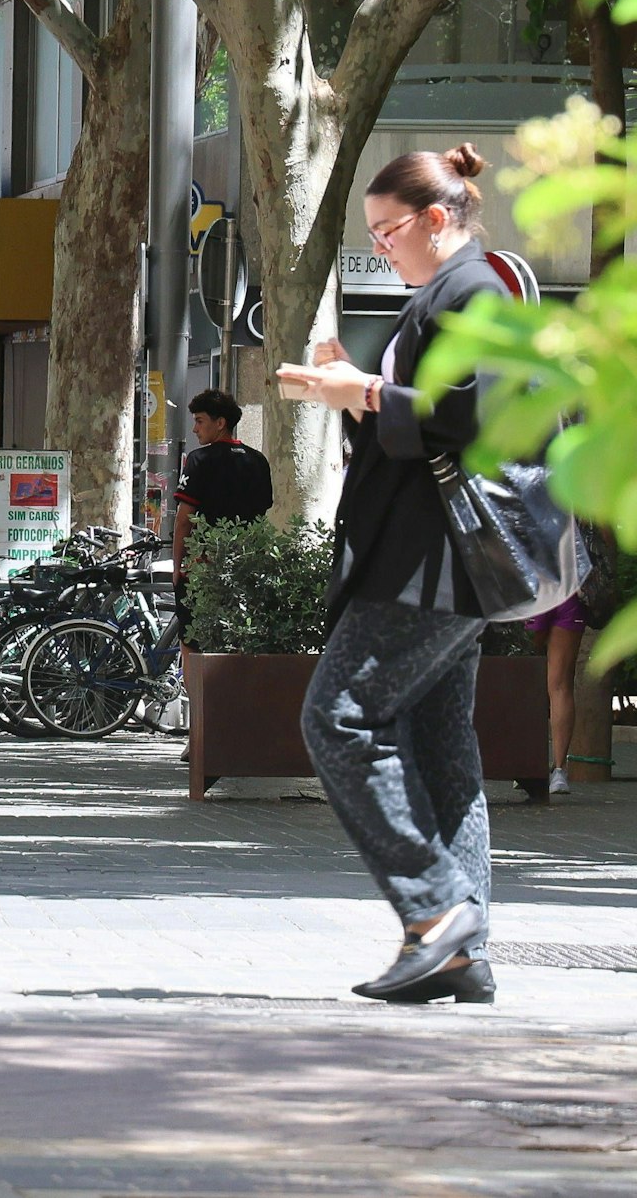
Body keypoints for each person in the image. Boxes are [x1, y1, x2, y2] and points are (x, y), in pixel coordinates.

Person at [278, 145, 508, 1006]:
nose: (381, 248)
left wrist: (368, 394)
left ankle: (438, 911)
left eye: (388, 232)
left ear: (437, 219)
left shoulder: (473, 291)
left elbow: (471, 417)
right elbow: (420, 437)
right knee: (442, 750)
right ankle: (459, 944)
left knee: (337, 717)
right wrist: (352, 391)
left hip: (431, 564)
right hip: (438, 562)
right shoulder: (443, 297)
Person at [171, 388, 273, 641]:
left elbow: (184, 520)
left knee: (193, 642)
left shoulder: (199, 460)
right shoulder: (258, 461)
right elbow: (263, 515)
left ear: (220, 423)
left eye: (199, 421)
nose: (195, 429)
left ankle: (193, 683)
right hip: (246, 568)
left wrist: (178, 568)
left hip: (203, 567)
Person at [527, 595, 585, 797]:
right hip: (568, 595)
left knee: (522, 675)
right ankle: (559, 772)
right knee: (561, 686)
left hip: (535, 594)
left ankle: (526, 767)